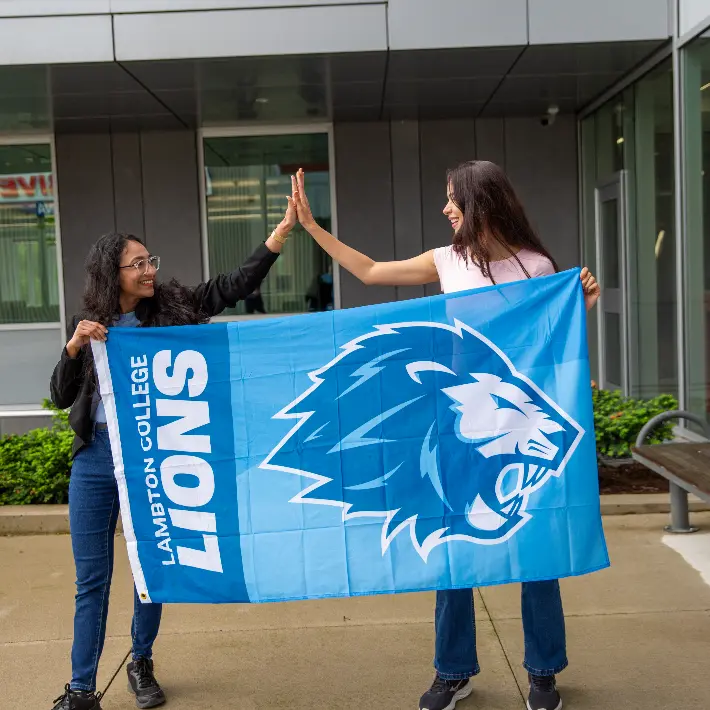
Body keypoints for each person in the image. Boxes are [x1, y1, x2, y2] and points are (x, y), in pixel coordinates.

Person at [289, 162, 600, 710]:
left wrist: (580, 309)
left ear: (482, 202)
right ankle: (453, 671)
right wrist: (312, 228)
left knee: (540, 551)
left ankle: (544, 671)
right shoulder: (445, 261)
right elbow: (369, 271)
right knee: (452, 556)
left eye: (454, 198)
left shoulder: (537, 268)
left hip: (520, 427)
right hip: (458, 430)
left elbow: (549, 354)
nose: (446, 208)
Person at [48, 205, 296, 710]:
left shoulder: (173, 308)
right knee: (91, 580)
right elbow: (59, 395)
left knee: (149, 568)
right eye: (137, 264)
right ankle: (80, 689)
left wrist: (278, 237)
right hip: (96, 461)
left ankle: (140, 661)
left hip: (151, 460)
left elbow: (233, 286)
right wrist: (74, 346)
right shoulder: (90, 322)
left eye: (149, 260)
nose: (149, 270)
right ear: (110, 274)